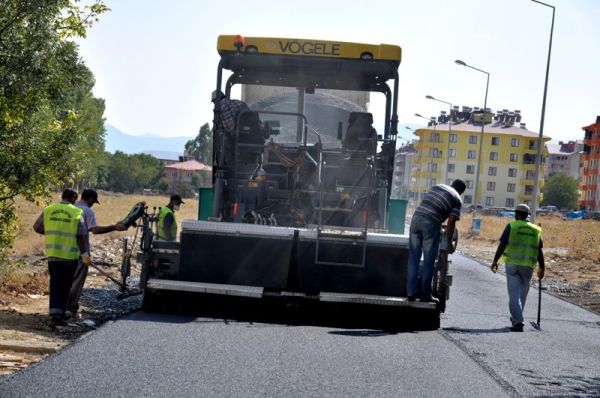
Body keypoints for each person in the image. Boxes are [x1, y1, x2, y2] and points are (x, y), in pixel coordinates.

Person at [65, 189, 126, 318]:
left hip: (64, 250)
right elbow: (94, 230)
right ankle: (71, 306)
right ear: (91, 199)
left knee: (65, 280)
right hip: (80, 252)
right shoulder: (88, 211)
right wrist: (113, 227)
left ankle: (61, 306)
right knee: (77, 280)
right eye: (94, 201)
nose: (93, 204)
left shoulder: (70, 207)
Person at [33, 189, 87, 327]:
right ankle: (59, 314)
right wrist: (84, 254)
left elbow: (37, 227)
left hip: (52, 255)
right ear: (74, 197)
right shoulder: (76, 212)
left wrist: (52, 231)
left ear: (62, 196)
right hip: (69, 257)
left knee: (55, 284)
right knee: (65, 286)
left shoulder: (49, 209)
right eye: (76, 198)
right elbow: (80, 235)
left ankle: (55, 313)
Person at [406, 179, 466, 303]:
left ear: (452, 185)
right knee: (429, 261)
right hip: (431, 223)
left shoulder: (438, 186)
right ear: (461, 192)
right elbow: (451, 223)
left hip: (416, 219)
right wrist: (449, 243)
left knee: (413, 259)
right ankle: (425, 295)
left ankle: (411, 292)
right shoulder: (457, 199)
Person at [491, 203, 545, 332]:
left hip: (513, 265)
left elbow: (502, 245)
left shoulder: (512, 226)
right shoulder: (536, 229)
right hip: (528, 266)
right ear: (527, 215)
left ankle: (519, 322)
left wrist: (495, 260)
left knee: (514, 295)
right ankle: (516, 320)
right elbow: (539, 250)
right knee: (522, 295)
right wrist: (542, 267)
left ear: (517, 214)